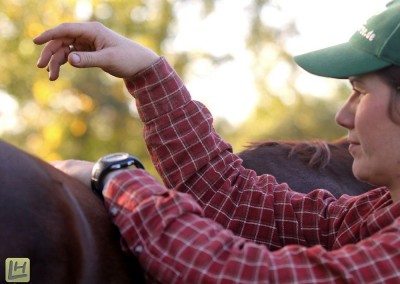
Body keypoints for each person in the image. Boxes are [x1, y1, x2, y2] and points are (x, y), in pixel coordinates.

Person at [33, 1, 400, 283]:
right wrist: (148, 73)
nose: (343, 116)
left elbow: (238, 274)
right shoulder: (376, 214)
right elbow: (236, 201)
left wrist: (116, 176)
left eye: (360, 91)